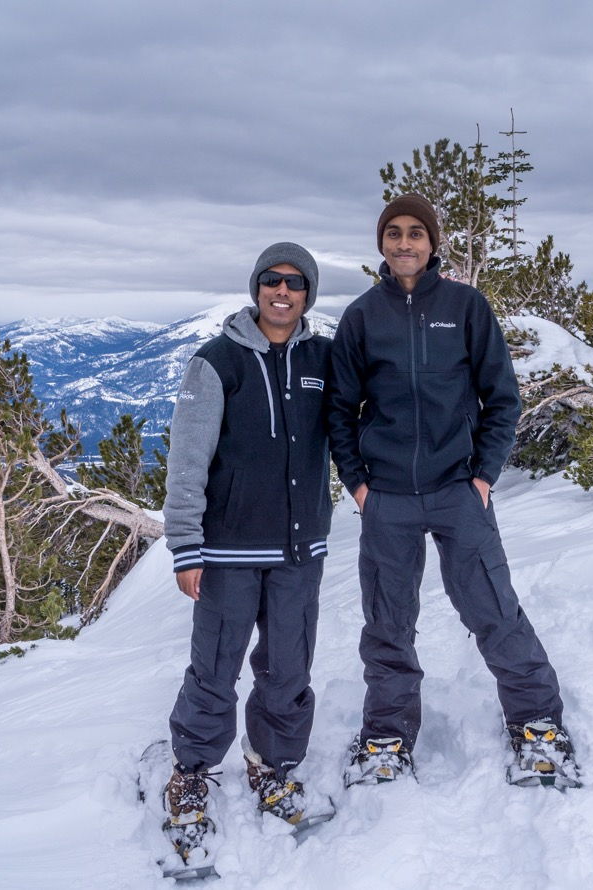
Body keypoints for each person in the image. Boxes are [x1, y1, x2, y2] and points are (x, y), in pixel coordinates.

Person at [328, 194, 580, 788]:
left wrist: (484, 475)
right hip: (386, 496)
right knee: (388, 620)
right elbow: (339, 410)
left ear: (433, 242)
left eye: (417, 233)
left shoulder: (466, 307)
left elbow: (502, 397)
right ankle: (387, 732)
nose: (406, 243)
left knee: (491, 607)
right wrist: (359, 484)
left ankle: (536, 719)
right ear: (382, 244)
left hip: (456, 489)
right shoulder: (363, 317)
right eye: (394, 233)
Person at [163, 242, 334, 838]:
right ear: (256, 287)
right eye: (271, 280)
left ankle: (272, 764)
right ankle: (191, 769)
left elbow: (359, 428)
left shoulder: (325, 359)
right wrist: (186, 545)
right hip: (228, 551)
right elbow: (187, 459)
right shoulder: (216, 362)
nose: (281, 291)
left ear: (308, 293)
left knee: (288, 667)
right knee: (215, 667)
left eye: (294, 282)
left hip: (298, 550)